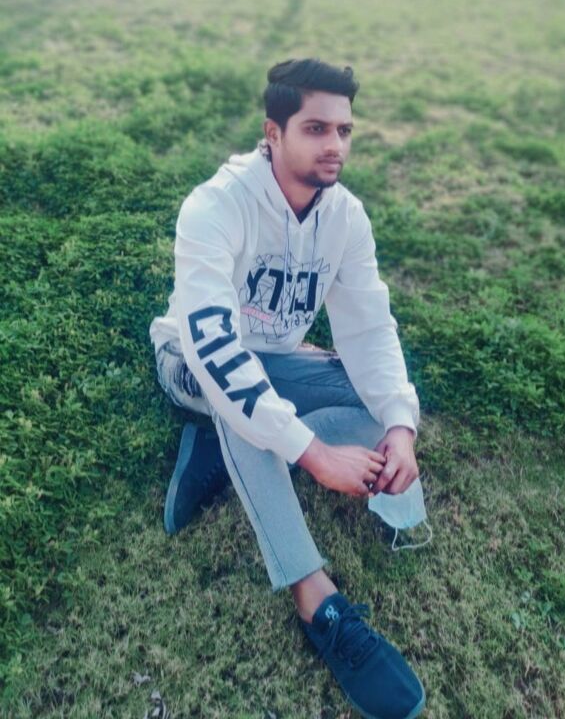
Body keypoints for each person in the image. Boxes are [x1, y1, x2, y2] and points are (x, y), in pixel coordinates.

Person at [149, 59, 426, 719]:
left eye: (344, 130)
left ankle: (226, 450)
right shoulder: (215, 206)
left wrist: (400, 428)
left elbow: (370, 329)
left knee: (371, 399)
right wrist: (313, 453)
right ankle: (316, 599)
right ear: (273, 133)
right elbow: (217, 352)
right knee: (241, 402)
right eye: (316, 128)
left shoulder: (345, 217)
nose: (335, 145)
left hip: (273, 361)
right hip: (190, 362)